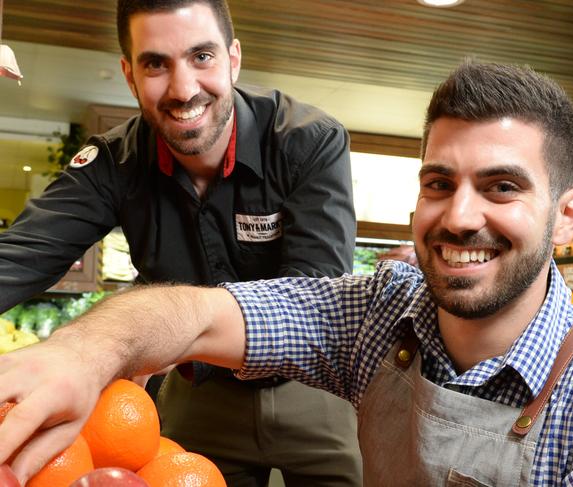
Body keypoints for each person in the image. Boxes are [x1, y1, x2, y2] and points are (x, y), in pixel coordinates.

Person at [2, 61, 573, 486]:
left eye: (500, 186)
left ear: (567, 215)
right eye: (438, 182)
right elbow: (199, 313)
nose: (458, 215)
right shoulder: (379, 315)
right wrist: (83, 352)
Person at [0, 1, 363, 485]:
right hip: (198, 393)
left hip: (312, 391)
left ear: (233, 58)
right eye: (156, 64)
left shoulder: (308, 141)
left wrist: (145, 324)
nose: (183, 88)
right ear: (130, 76)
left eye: (202, 57)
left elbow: (315, 297)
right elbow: (18, 259)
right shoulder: (114, 163)